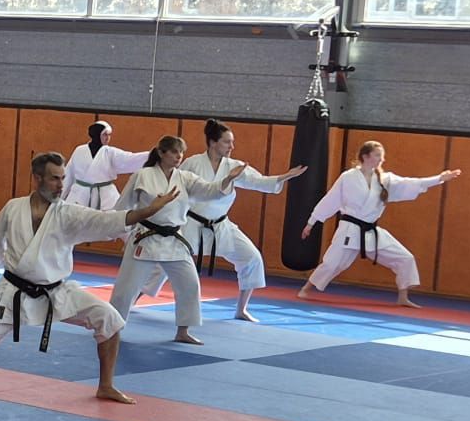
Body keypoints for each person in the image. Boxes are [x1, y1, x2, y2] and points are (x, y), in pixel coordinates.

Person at [0, 150, 182, 402]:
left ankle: (105, 386)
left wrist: (148, 211)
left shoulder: (68, 213)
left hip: (56, 292)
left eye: (63, 178)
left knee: (110, 319)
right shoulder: (13, 208)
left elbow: (107, 220)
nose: (61, 185)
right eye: (54, 178)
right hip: (12, 291)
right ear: (37, 178)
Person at [107, 135, 246, 345]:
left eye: (181, 152)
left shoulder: (185, 178)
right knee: (126, 289)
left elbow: (210, 190)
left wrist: (227, 179)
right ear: (161, 153)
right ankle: (111, 329)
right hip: (146, 238)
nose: (179, 156)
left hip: (174, 240)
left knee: (189, 284)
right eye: (173, 151)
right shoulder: (143, 175)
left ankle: (183, 331)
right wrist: (115, 229)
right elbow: (123, 205)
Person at [298, 140, 462, 308]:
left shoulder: (385, 179)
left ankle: (403, 297)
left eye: (382, 156)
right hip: (350, 229)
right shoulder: (348, 177)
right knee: (332, 264)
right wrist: (312, 222)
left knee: (405, 258)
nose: (382, 159)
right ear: (365, 156)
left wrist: (439, 178)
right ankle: (306, 288)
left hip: (371, 231)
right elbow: (331, 199)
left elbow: (412, 183)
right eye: (378, 155)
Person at [181, 118, 307, 322]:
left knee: (251, 258)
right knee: (164, 263)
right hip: (191, 225)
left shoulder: (235, 166)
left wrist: (285, 176)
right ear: (212, 142)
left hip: (221, 226)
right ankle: (134, 299)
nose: (232, 146)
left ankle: (241, 309)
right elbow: (178, 189)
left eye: (232, 142)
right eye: (226, 142)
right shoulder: (192, 163)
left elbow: (258, 181)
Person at [63, 119, 149, 210]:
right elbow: (68, 175)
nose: (108, 137)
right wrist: (58, 199)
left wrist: (152, 155)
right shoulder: (79, 150)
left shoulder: (110, 152)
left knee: (110, 216)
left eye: (109, 135)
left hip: (105, 197)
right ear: (96, 134)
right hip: (79, 196)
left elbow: (130, 159)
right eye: (105, 134)